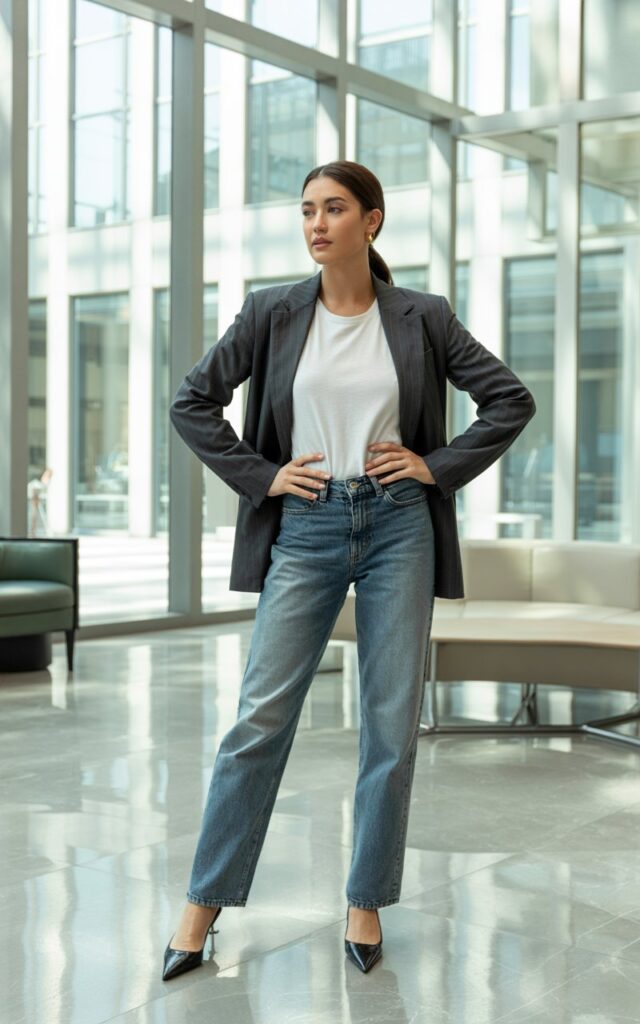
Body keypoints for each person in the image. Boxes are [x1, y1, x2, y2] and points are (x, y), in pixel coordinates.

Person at [164, 160, 536, 980]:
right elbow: (193, 401)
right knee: (259, 717)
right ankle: (204, 903)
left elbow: (509, 399)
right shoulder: (271, 312)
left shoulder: (423, 316)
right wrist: (263, 478)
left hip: (399, 522)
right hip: (306, 523)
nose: (316, 223)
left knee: (389, 723)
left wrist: (435, 465)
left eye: (334, 209)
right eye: (307, 210)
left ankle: (365, 898)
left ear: (371, 221)